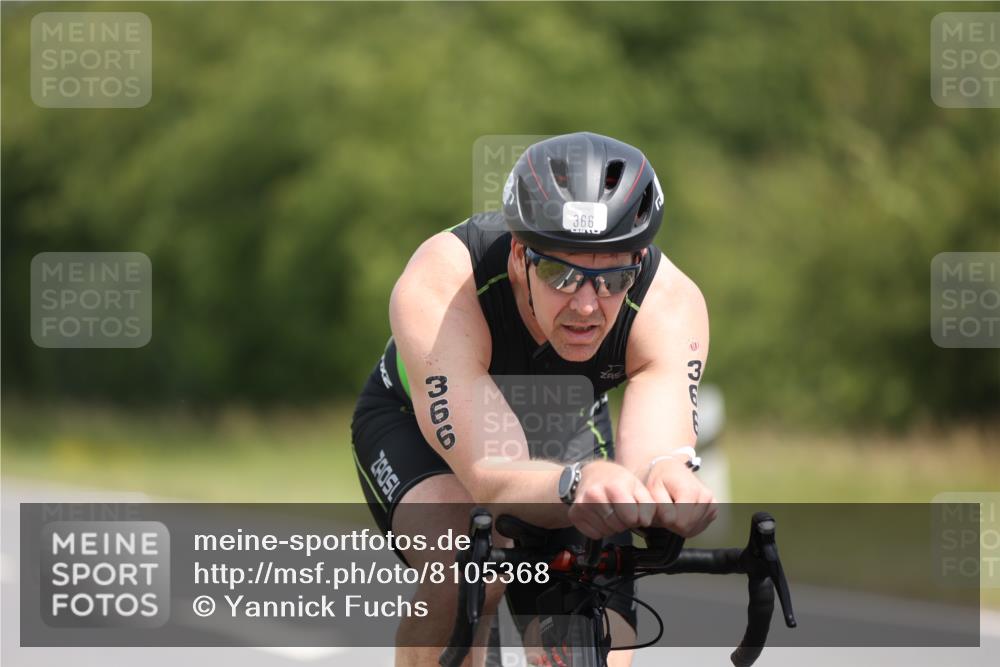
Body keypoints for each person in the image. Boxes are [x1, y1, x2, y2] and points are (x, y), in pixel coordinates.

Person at [352, 132, 717, 667]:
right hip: (421, 430)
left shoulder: (669, 304)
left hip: (564, 425)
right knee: (469, 569)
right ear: (521, 254)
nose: (587, 305)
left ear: (638, 261)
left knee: (596, 616)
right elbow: (491, 475)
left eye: (613, 277)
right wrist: (576, 482)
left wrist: (668, 482)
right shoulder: (446, 279)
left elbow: (658, 454)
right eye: (560, 273)